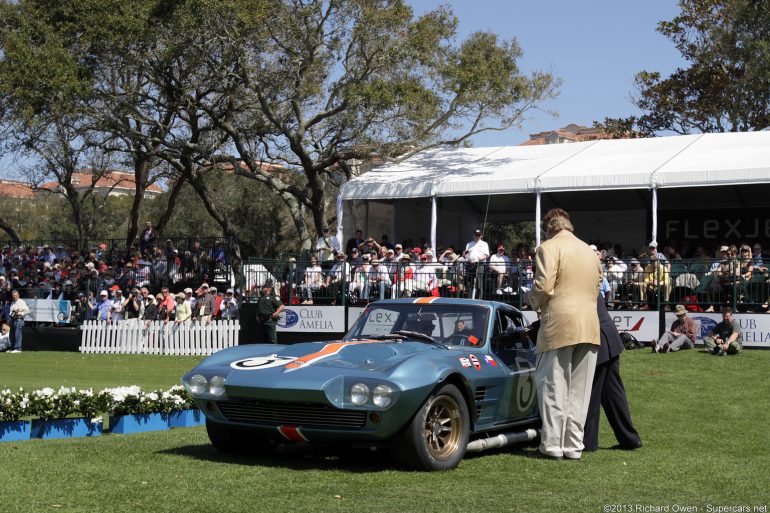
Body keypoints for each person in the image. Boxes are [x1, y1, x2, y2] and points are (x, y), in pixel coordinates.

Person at [527, 208, 602, 461]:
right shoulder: (590, 253)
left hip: (558, 324)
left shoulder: (548, 247)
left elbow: (544, 285)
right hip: (589, 325)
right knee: (579, 392)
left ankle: (551, 445)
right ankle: (573, 446)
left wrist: (531, 300)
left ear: (549, 228)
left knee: (553, 385)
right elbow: (597, 285)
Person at [583, 296, 642, 452]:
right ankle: (629, 439)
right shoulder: (592, 284)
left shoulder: (581, 286)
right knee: (613, 394)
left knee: (591, 394)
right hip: (610, 339)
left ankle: (588, 442)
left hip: (598, 342)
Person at [464, 229, 490, 298]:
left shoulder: (484, 244)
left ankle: (479, 299)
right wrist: (464, 254)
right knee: (469, 283)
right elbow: (466, 255)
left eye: (478, 235)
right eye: (476, 235)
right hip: (470, 264)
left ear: (481, 236)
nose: (477, 236)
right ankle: (469, 298)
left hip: (479, 264)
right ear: (473, 235)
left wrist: (479, 258)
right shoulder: (469, 244)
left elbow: (487, 254)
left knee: (479, 283)